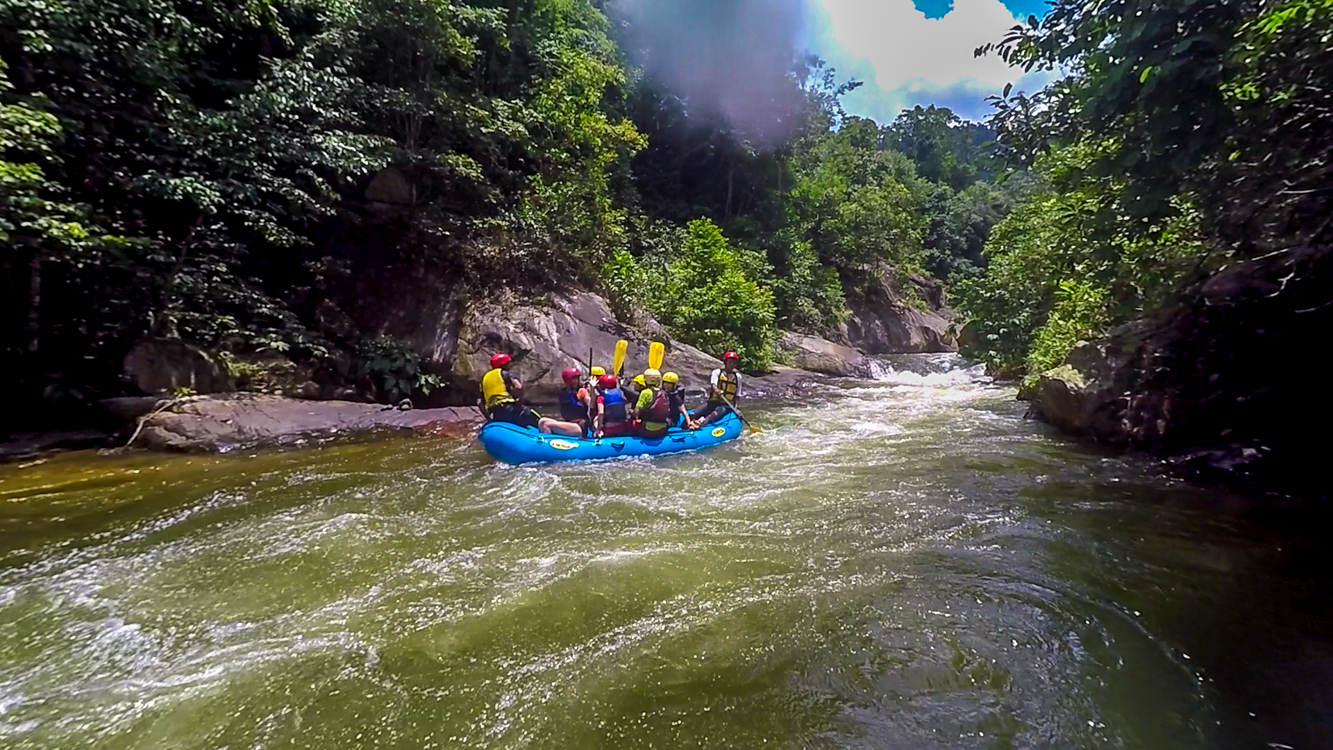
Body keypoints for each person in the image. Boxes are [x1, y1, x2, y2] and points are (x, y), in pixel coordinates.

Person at [481, 353, 583, 437]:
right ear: (503, 364)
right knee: (539, 420)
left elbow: (480, 403)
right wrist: (520, 399)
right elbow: (519, 387)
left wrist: (490, 419)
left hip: (495, 413)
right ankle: (550, 438)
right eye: (508, 363)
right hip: (510, 408)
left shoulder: (484, 380)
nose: (509, 365)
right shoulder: (505, 374)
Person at [690, 350, 742, 427]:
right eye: (730, 362)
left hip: (726, 405)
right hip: (713, 402)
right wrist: (717, 390)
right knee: (693, 413)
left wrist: (735, 409)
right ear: (725, 362)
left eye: (734, 363)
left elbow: (737, 395)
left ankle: (702, 424)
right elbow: (713, 384)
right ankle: (688, 423)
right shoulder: (717, 372)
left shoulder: (738, 377)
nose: (732, 364)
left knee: (717, 412)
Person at [632, 368, 672, 438]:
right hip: (663, 429)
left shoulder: (645, 392)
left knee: (631, 422)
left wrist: (632, 413)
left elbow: (636, 412)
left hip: (648, 430)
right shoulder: (664, 392)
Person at [558, 367, 593, 437]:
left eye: (577, 379)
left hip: (581, 425)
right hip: (570, 424)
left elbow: (590, 404)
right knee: (543, 421)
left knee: (546, 424)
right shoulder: (564, 393)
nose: (576, 381)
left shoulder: (582, 391)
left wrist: (592, 390)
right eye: (574, 379)